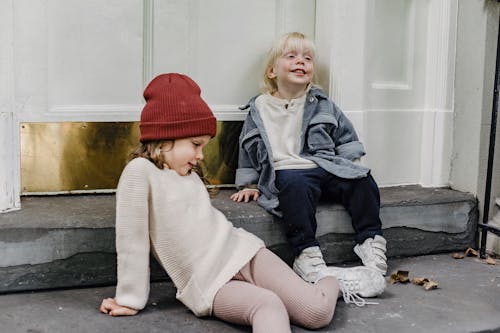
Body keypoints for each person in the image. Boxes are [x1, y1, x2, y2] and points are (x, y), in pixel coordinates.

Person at [99, 73, 344, 332]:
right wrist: (130, 299)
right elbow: (131, 240)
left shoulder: (187, 173)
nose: (200, 155)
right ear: (164, 137)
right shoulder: (140, 172)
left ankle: (334, 281)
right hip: (211, 283)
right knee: (269, 305)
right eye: (195, 144)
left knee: (316, 312)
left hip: (243, 252)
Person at [230, 32, 388, 296]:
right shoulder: (259, 108)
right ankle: (306, 253)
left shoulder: (322, 104)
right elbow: (246, 147)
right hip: (286, 173)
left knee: (362, 181)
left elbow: (346, 136)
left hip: (323, 166)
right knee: (295, 185)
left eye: (307, 58)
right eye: (291, 56)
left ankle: (369, 240)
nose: (300, 62)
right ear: (272, 71)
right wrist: (249, 183)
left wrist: (349, 167)